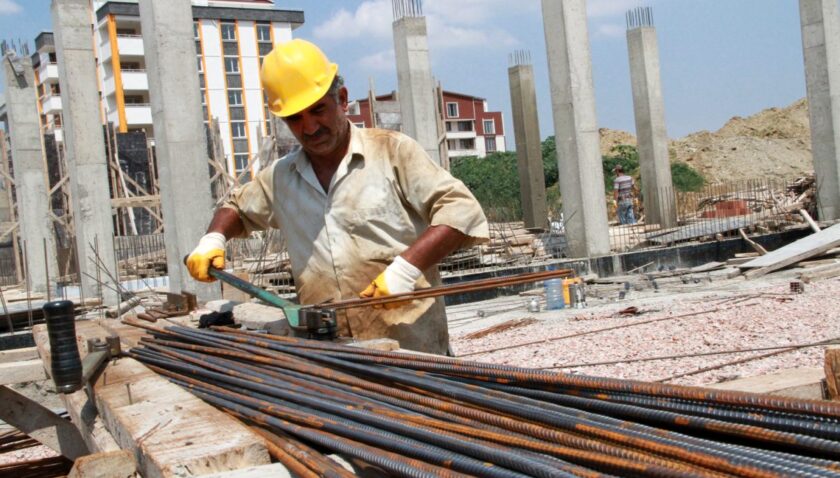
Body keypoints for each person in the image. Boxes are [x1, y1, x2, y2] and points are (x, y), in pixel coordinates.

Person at [186, 39, 488, 355]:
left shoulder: (392, 152)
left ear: (342, 99)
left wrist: (407, 268)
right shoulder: (280, 178)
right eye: (295, 119)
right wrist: (214, 239)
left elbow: (461, 210)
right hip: (333, 359)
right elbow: (236, 207)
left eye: (318, 110)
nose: (310, 127)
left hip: (413, 352)